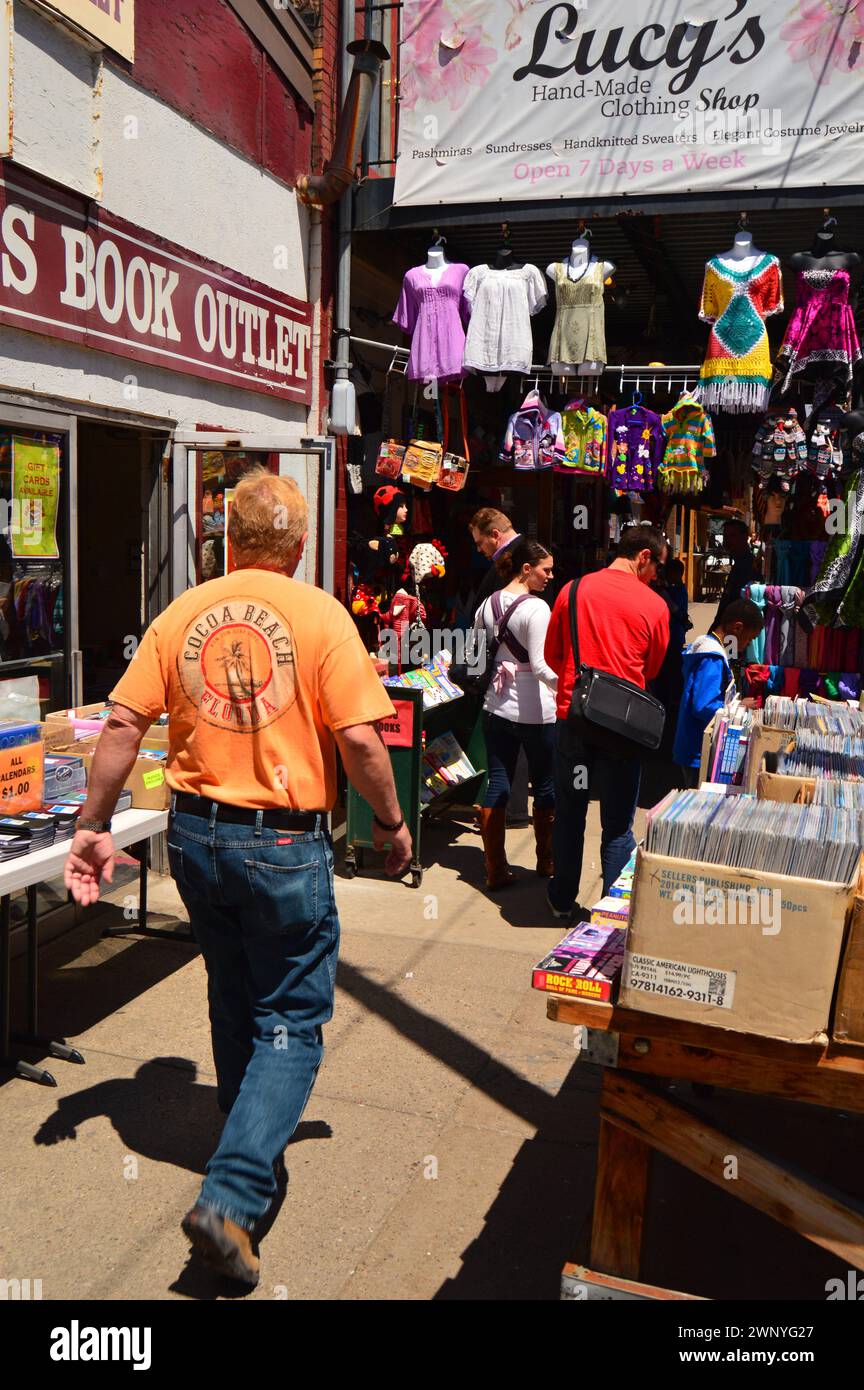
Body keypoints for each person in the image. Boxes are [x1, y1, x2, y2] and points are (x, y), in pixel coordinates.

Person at [64, 467, 411, 1289]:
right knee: (290, 1016)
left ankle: (242, 1136)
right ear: (296, 545)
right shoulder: (321, 613)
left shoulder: (183, 611)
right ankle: (233, 1191)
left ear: (229, 541)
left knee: (231, 990)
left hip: (195, 839)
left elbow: (120, 721)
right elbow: (361, 742)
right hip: (282, 844)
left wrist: (91, 824)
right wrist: (392, 826)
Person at [544, 525, 670, 919]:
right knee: (617, 824)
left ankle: (562, 901)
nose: (656, 577)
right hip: (622, 729)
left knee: (570, 813)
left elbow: (553, 654)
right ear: (644, 557)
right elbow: (652, 668)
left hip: (576, 722)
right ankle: (613, 911)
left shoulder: (573, 590)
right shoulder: (655, 606)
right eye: (657, 568)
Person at [473, 539, 558, 889]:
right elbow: (540, 666)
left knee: (499, 782)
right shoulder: (537, 609)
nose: (550, 576)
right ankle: (546, 860)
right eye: (545, 570)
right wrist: (567, 684)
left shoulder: (486, 605)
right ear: (527, 570)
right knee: (546, 785)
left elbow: (478, 658)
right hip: (536, 711)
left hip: (496, 706)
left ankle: (495, 868)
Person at [673, 598, 764, 787]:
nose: (749, 644)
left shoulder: (711, 646)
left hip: (693, 744)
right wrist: (738, 706)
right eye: (750, 638)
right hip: (698, 749)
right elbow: (703, 705)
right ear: (737, 628)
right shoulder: (712, 658)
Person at [469, 507, 522, 609]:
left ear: (495, 535)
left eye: (480, 543)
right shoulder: (517, 553)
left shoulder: (519, 558)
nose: (479, 549)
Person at [713, 517, 756, 625]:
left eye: (732, 536)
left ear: (744, 537)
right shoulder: (738, 563)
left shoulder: (748, 565)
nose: (727, 540)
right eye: (725, 536)